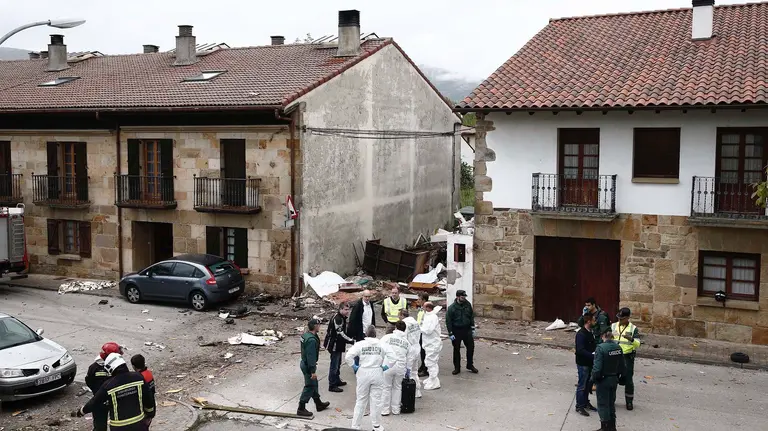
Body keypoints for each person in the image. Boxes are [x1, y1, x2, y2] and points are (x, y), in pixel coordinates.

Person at [74, 353, 155, 430]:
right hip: (138, 423)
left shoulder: (108, 385)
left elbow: (95, 401)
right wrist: (150, 414)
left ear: (110, 368)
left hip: (119, 426)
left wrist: (82, 411)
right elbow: (148, 398)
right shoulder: (138, 377)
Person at [345, 325, 394, 431]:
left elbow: (348, 356)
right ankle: (376, 425)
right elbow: (393, 358)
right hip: (377, 371)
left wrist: (354, 366)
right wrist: (385, 367)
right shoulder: (382, 344)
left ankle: (355, 426)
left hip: (363, 372)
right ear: (375, 334)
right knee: (376, 400)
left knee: (361, 400)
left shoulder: (360, 344)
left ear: (365, 334)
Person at [591, 328, 625, 431]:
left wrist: (592, 380)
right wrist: (621, 378)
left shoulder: (601, 348)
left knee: (603, 404)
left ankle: (604, 427)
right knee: (611, 403)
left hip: (603, 380)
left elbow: (597, 368)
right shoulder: (618, 347)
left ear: (603, 336)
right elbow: (622, 366)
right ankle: (612, 426)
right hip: (614, 379)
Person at [85, 342, 123, 431]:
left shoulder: (93, 367)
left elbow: (89, 381)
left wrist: (96, 392)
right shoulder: (116, 367)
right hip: (110, 400)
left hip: (100, 400)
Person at [297, 318, 331, 417]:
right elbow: (310, 356)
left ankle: (318, 403)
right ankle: (301, 408)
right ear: (315, 326)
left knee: (314, 384)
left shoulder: (306, 335)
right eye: (319, 325)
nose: (320, 326)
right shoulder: (311, 340)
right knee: (310, 386)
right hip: (308, 365)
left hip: (304, 363)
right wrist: (313, 371)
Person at [379, 320, 413, 416]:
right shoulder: (407, 343)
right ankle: (396, 409)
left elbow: (380, 349)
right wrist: (408, 370)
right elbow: (410, 358)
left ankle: (385, 410)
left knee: (386, 387)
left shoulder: (387, 337)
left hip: (388, 365)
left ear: (395, 328)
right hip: (400, 367)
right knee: (397, 388)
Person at [611, 307, 640, 411]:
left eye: (622, 318)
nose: (619, 320)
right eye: (619, 318)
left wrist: (631, 339)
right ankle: (611, 401)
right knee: (612, 379)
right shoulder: (613, 326)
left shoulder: (633, 328)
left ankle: (629, 402)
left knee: (628, 380)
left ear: (628, 318)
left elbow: (638, 344)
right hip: (614, 356)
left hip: (627, 357)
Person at [324, 301, 355, 393]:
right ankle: (332, 384)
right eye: (345, 310)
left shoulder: (341, 317)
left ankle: (337, 380)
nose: (347, 311)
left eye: (348, 310)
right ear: (340, 309)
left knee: (338, 363)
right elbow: (340, 333)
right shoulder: (338, 319)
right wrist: (351, 340)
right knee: (334, 364)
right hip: (334, 344)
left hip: (338, 344)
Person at [446, 289, 478, 375]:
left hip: (466, 329)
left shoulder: (467, 305)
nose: (464, 298)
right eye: (462, 296)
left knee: (471, 347)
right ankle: (457, 368)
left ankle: (470, 365)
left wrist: (473, 327)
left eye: (464, 296)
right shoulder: (452, 308)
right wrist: (450, 333)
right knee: (456, 349)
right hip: (456, 330)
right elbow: (448, 321)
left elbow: (471, 316)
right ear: (457, 297)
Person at [575, 313, 598, 417]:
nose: (595, 321)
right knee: (582, 385)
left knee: (588, 384)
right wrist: (592, 356)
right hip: (583, 363)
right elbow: (580, 350)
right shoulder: (581, 334)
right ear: (588, 321)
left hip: (590, 363)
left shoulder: (590, 332)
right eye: (593, 320)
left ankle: (585, 402)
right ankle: (579, 406)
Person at [399, 308, 423, 398]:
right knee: (415, 371)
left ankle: (408, 390)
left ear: (402, 315)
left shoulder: (405, 323)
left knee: (407, 371)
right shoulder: (415, 322)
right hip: (417, 347)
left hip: (410, 349)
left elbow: (403, 337)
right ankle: (417, 390)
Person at [419, 301, 443, 390]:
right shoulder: (428, 316)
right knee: (429, 361)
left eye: (424, 307)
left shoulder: (432, 317)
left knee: (431, 362)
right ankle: (431, 378)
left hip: (433, 343)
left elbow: (428, 330)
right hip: (429, 343)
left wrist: (419, 328)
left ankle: (434, 381)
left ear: (428, 308)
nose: (422, 308)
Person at [130, 354, 156, 428]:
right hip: (152, 405)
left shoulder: (139, 378)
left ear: (133, 366)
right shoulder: (148, 373)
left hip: (145, 408)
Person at [416, 291, 430, 377]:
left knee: (424, 351)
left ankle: (425, 369)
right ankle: (423, 365)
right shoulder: (421, 309)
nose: (418, 300)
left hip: (424, 333)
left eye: (419, 299)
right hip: (420, 332)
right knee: (421, 351)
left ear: (424, 300)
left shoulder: (427, 310)